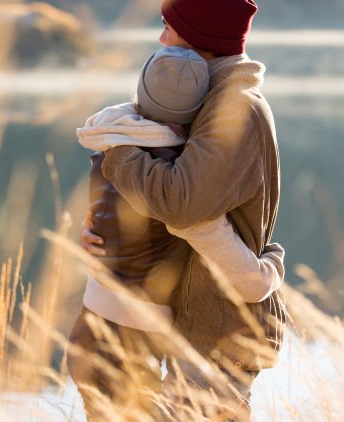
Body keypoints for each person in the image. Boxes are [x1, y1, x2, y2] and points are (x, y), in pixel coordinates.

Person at [78, 0, 286, 419]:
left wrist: (118, 157)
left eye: (168, 27)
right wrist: (105, 225)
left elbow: (182, 205)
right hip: (201, 317)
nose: (161, 39)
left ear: (201, 39)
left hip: (223, 330)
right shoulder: (210, 100)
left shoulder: (236, 109)